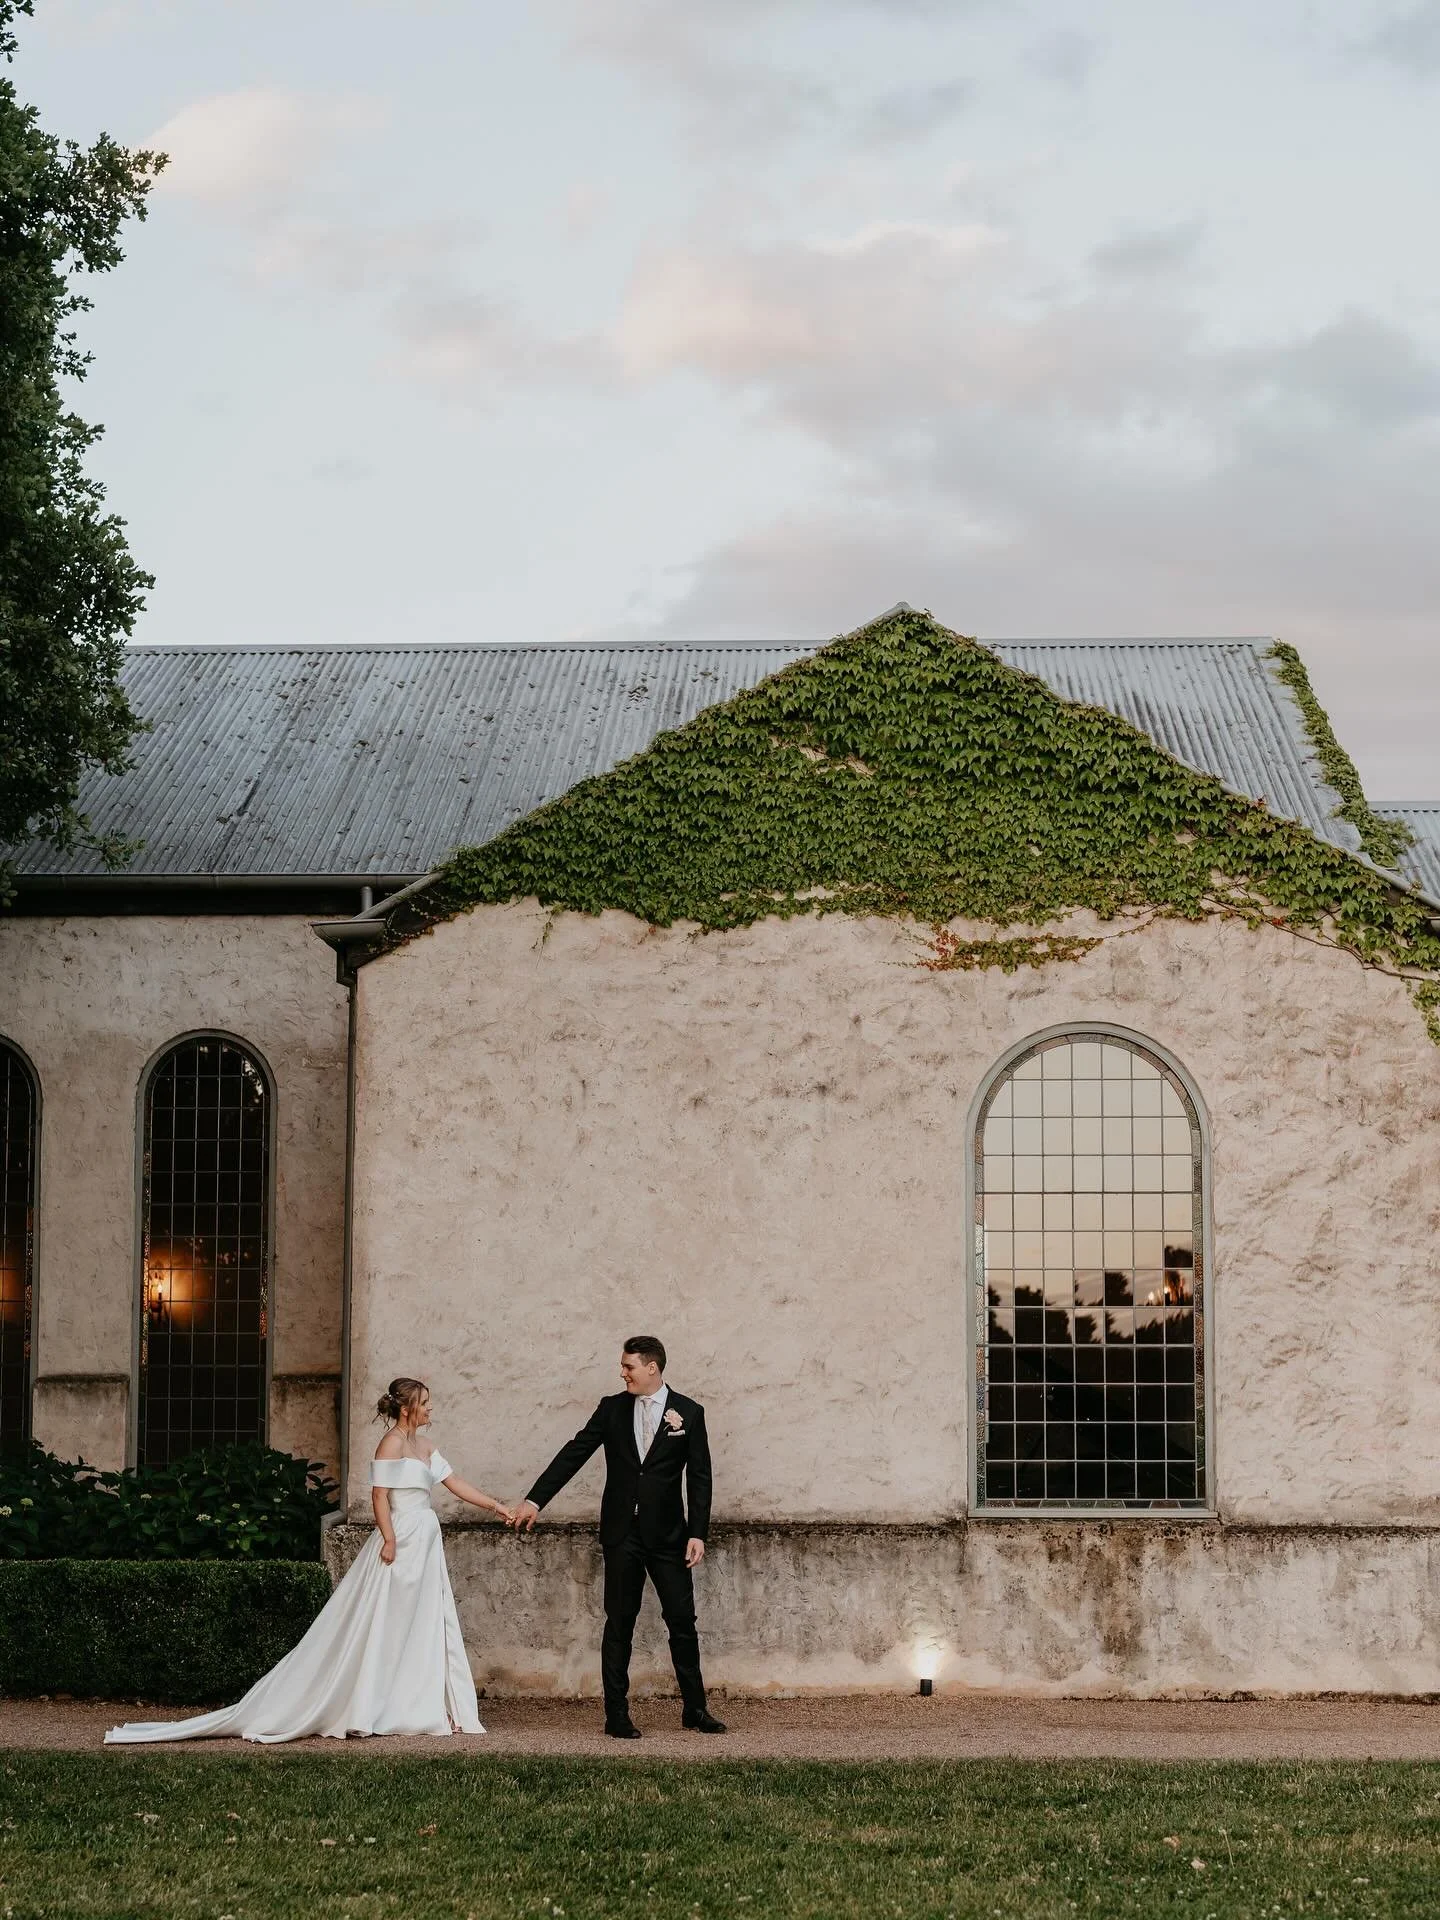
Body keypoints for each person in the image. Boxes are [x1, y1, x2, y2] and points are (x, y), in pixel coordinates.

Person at [105, 1378, 513, 1744]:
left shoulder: (427, 1447)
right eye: (425, 1403)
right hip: (401, 1538)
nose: (430, 1409)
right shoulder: (390, 1444)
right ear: (407, 1408)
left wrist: (496, 1506)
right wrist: (388, 1538)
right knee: (383, 1620)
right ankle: (370, 1701)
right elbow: (378, 1496)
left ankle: (417, 1701)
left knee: (422, 1620)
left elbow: (454, 1484)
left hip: (426, 1539)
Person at [511, 1334, 725, 1738]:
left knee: (682, 1622)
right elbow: (574, 1453)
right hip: (622, 1535)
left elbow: (700, 1478)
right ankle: (617, 1714)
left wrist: (698, 1532)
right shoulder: (611, 1409)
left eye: (628, 1366)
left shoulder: (689, 1414)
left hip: (669, 1538)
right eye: (622, 1366)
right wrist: (535, 1501)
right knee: (619, 1623)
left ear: (652, 1368)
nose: (621, 1372)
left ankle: (695, 1709)